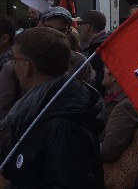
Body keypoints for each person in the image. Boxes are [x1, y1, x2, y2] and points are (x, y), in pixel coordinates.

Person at [0, 27, 104, 188]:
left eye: (15, 60)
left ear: (27, 67)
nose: (13, 66)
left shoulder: (62, 122)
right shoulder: (41, 104)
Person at [100, 65, 138, 188]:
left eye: (107, 67)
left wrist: (81, 149)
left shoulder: (125, 106)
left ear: (113, 76)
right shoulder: (114, 101)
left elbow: (109, 149)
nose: (103, 70)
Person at [77, 10, 110, 92]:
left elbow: (97, 82)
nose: (77, 27)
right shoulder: (105, 43)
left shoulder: (98, 49)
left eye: (79, 24)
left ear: (88, 27)